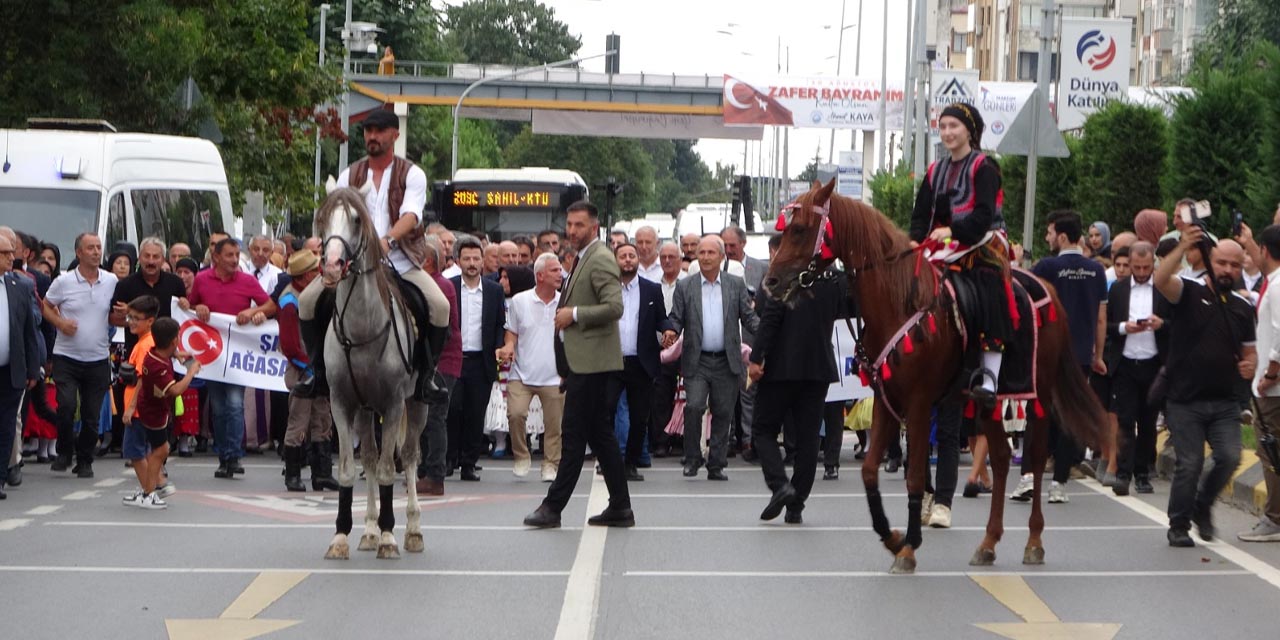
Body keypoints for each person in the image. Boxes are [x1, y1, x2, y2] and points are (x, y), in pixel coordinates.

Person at [523, 201, 633, 529]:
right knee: (600, 436)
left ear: (594, 227)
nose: (571, 230)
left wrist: (574, 314)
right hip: (582, 364)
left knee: (573, 436)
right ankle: (621, 507)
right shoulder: (584, 257)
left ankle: (553, 507)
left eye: (579, 225)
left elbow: (614, 307)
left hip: (593, 365)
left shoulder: (600, 258)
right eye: (569, 224)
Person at [328, 108, 451, 401]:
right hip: (354, 265)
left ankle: (426, 377)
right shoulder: (349, 175)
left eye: (379, 131)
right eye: (368, 131)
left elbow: (411, 215)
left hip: (400, 262)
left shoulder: (412, 174)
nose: (372, 136)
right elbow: (336, 213)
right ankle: (319, 373)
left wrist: (387, 241)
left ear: (395, 135)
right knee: (308, 303)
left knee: (440, 306)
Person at [1154, 224, 1255, 548]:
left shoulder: (1243, 307)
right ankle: (1178, 524)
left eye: (1235, 265)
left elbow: (1249, 353)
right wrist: (1182, 246)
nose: (1227, 270)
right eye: (1222, 262)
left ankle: (1202, 504)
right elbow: (1160, 280)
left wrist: (1250, 366)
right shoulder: (1188, 291)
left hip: (1224, 402)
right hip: (1185, 400)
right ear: (1210, 260)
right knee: (1191, 462)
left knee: (1230, 456)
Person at [907, 102, 1009, 405]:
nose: (947, 132)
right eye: (943, 126)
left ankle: (990, 377)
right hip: (942, 244)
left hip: (984, 240)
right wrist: (913, 242)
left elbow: (983, 216)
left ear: (970, 131)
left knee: (988, 283)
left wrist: (951, 231)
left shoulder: (985, 167)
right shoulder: (934, 170)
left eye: (954, 126)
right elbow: (920, 215)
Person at [1019, 210, 1106, 504]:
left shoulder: (1046, 267)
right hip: (1080, 354)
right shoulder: (1096, 271)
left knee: (1038, 412)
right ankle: (1059, 483)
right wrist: (1098, 354)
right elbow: (1101, 318)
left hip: (1046, 351)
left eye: (1050, 233)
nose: (1047, 238)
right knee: (1069, 416)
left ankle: (1028, 477)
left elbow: (1029, 308)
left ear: (1063, 236)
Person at [748, 263, 842, 524]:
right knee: (808, 439)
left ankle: (780, 485)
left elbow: (770, 318)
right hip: (818, 367)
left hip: (781, 367)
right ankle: (796, 504)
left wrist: (756, 357)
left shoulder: (784, 275)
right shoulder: (834, 278)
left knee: (763, 430)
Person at [663, 235, 759, 481]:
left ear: (721, 257)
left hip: (727, 360)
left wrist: (767, 333)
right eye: (702, 253)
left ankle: (716, 463)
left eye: (711, 253)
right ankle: (692, 457)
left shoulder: (735, 284)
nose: (705, 257)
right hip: (697, 360)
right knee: (694, 406)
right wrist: (670, 331)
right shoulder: (686, 286)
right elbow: (676, 317)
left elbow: (748, 317)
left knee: (723, 412)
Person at [182, 237, 269, 478]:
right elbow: (189, 308)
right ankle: (223, 455)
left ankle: (233, 455)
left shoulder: (247, 281)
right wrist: (197, 308)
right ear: (216, 257)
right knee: (219, 408)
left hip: (237, 356)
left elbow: (270, 306)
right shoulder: (202, 280)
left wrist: (254, 312)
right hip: (212, 356)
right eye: (229, 255)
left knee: (235, 404)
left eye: (237, 255)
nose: (234, 260)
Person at [1096, 242, 1169, 496]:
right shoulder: (1118, 289)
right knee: (1125, 420)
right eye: (1136, 267)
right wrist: (1124, 327)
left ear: (1153, 264)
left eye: (1146, 267)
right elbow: (1107, 325)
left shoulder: (1163, 288)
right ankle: (1123, 473)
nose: (1141, 272)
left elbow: (1176, 322)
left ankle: (1142, 472)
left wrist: (1160, 324)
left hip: (1153, 362)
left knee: (1148, 422)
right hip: (1125, 362)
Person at [43, 233, 117, 479]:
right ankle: (64, 450)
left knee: (91, 415)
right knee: (66, 406)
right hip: (66, 356)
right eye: (90, 248)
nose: (96, 252)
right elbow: (46, 305)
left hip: (98, 358)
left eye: (98, 247)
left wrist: (123, 315)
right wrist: (60, 323)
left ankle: (85, 460)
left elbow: (116, 312)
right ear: (78, 252)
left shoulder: (111, 280)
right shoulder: (64, 282)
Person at [497, 252, 566, 482]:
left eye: (560, 270)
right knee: (515, 414)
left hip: (555, 375)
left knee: (554, 425)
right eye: (554, 270)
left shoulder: (565, 301)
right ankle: (521, 456)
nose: (560, 274)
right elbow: (512, 332)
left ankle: (550, 464)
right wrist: (508, 346)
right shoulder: (519, 301)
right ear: (540, 275)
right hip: (521, 372)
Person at [275, 250, 339, 492]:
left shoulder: (315, 294)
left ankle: (322, 473)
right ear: (303, 277)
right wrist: (311, 368)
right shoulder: (289, 302)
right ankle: (292, 474)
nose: (319, 273)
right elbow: (291, 346)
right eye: (314, 271)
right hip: (303, 371)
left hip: (319, 367)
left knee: (322, 419)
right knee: (298, 422)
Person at [606, 243, 670, 481]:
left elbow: (662, 319)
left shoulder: (652, 289)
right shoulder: (606, 289)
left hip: (641, 362)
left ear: (637, 260)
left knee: (639, 416)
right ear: (615, 261)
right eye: (622, 256)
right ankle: (609, 460)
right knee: (606, 412)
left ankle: (630, 463)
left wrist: (669, 330)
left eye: (631, 256)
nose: (627, 260)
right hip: (611, 361)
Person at [120, 318, 199, 510]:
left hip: (150, 407)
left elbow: (166, 352)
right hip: (154, 413)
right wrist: (191, 372)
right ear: (174, 340)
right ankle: (149, 493)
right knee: (161, 451)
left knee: (156, 449)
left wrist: (177, 355)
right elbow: (176, 390)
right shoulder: (158, 367)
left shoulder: (153, 353)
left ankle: (147, 490)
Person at [447, 236, 505, 481]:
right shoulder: (449, 286)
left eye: (476, 258)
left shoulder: (494, 290)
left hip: (481, 361)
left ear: (483, 261)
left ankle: (469, 463)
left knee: (475, 413)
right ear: (458, 261)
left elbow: (500, 324)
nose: (471, 263)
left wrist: (500, 347)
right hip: (454, 359)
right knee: (452, 410)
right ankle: (449, 458)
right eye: (466, 259)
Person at [1243, 224, 1280, 542]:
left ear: (1265, 251)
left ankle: (1274, 517)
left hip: (1273, 388)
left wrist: (1271, 373)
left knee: (1270, 451)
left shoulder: (1277, 285)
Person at [417, 234, 460, 496]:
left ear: (427, 262)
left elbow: (442, 329)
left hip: (441, 361)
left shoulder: (438, 286)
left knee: (434, 417)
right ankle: (425, 470)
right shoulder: (434, 284)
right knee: (426, 418)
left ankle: (435, 475)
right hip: (433, 361)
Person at [118, 297, 171, 505]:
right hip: (145, 408)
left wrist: (131, 408)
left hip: (139, 409)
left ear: (150, 321)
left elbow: (142, 378)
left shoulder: (145, 345)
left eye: (136, 318)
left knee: (135, 452)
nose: (131, 322)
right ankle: (154, 487)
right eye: (129, 317)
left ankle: (150, 493)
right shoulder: (147, 341)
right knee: (145, 451)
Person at [0, 234, 41, 499]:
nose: (11, 257)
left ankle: (0, 478)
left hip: (9, 369)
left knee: (5, 426)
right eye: (4, 253)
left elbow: (29, 331)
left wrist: (32, 368)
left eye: (11, 252)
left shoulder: (20, 285)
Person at [110, 237, 187, 357]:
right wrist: (133, 320)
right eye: (147, 256)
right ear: (139, 258)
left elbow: (184, 316)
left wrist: (187, 304)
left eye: (156, 257)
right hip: (137, 353)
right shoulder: (125, 285)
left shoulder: (176, 283)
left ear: (163, 260)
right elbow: (112, 319)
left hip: (169, 355)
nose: (151, 261)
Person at [650, 241, 687, 458]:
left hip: (686, 348)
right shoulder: (653, 284)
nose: (667, 261)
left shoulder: (689, 282)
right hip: (660, 349)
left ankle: (681, 439)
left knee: (684, 396)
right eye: (663, 257)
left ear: (680, 259)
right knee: (660, 396)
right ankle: (661, 441)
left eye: (672, 256)